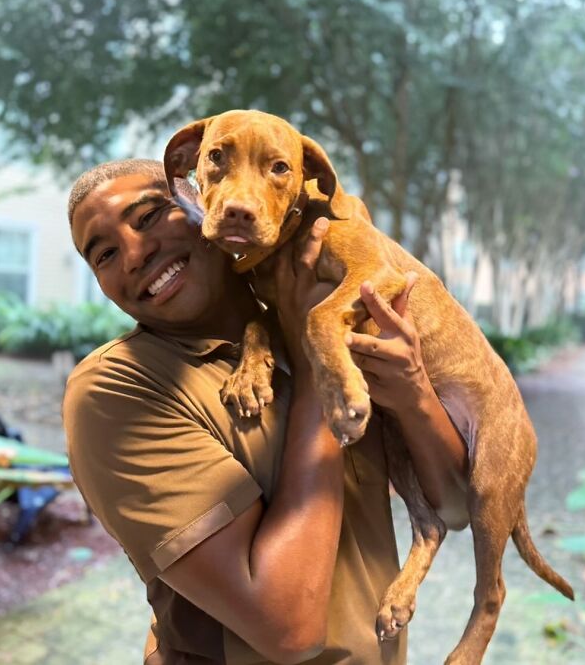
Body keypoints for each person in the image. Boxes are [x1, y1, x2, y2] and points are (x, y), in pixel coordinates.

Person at [63, 158, 468, 665]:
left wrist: (412, 392)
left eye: (148, 217)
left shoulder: (318, 322)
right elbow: (288, 627)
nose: (135, 254)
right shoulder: (115, 390)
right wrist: (318, 359)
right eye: (103, 254)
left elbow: (453, 507)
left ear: (202, 202)